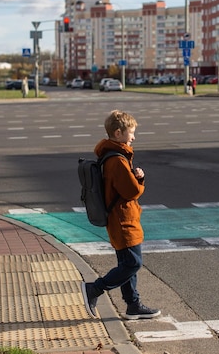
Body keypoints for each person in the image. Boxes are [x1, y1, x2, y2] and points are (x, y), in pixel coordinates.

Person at [81, 110, 161, 320]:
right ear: (118, 133)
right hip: (123, 219)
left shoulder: (112, 156)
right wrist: (140, 179)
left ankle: (133, 305)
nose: (133, 137)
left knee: (127, 264)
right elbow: (131, 191)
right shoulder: (117, 160)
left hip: (120, 218)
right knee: (132, 263)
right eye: (131, 132)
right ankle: (95, 288)